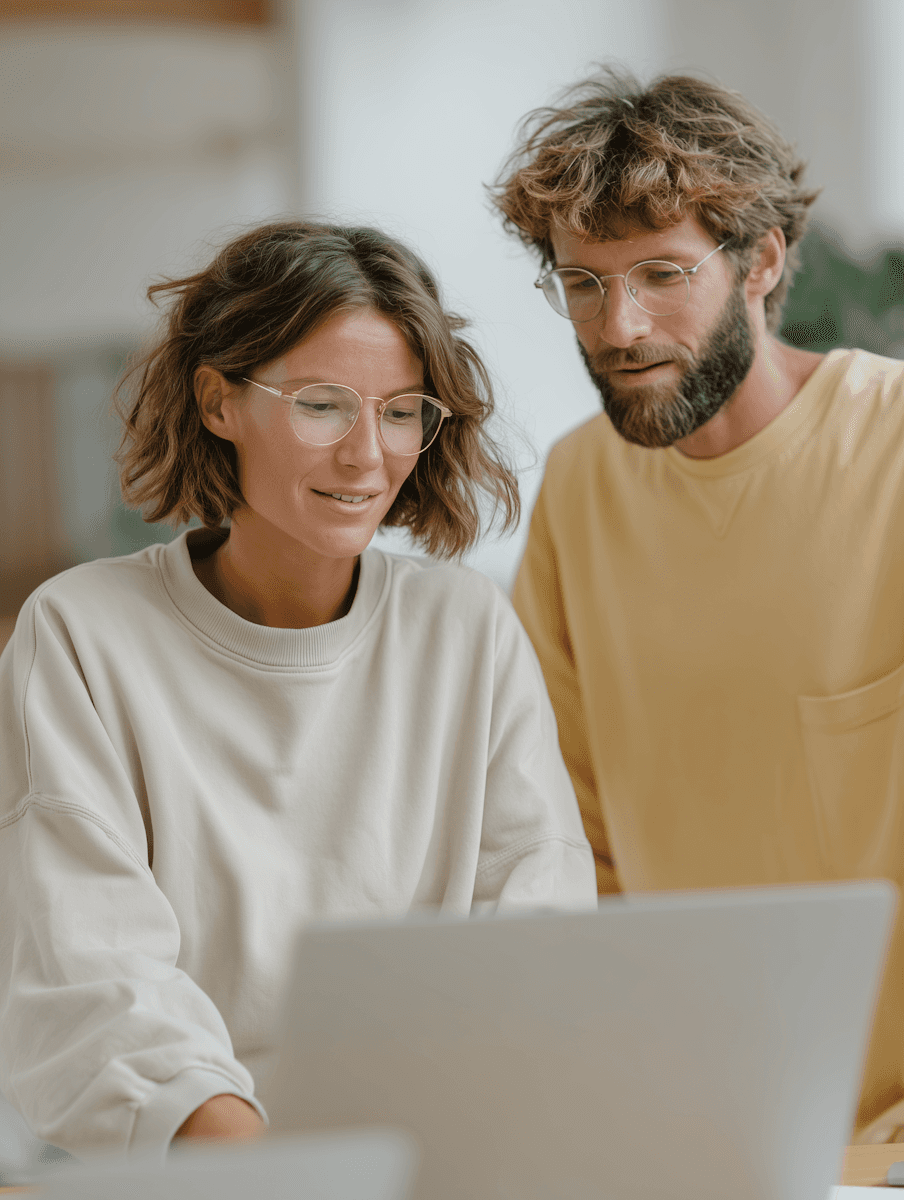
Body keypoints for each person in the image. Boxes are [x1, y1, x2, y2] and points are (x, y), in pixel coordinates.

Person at [0, 221, 597, 1158]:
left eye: (402, 411)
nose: (368, 455)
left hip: (440, 1156)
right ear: (218, 400)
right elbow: (91, 978)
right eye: (323, 405)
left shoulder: (465, 629)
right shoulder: (82, 637)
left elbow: (540, 918)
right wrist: (276, 1174)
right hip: (204, 1170)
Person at [492, 68, 904, 1141]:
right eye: (582, 284)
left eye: (661, 274)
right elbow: (566, 837)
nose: (618, 326)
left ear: (761, 261)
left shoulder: (893, 450)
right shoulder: (580, 487)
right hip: (701, 1125)